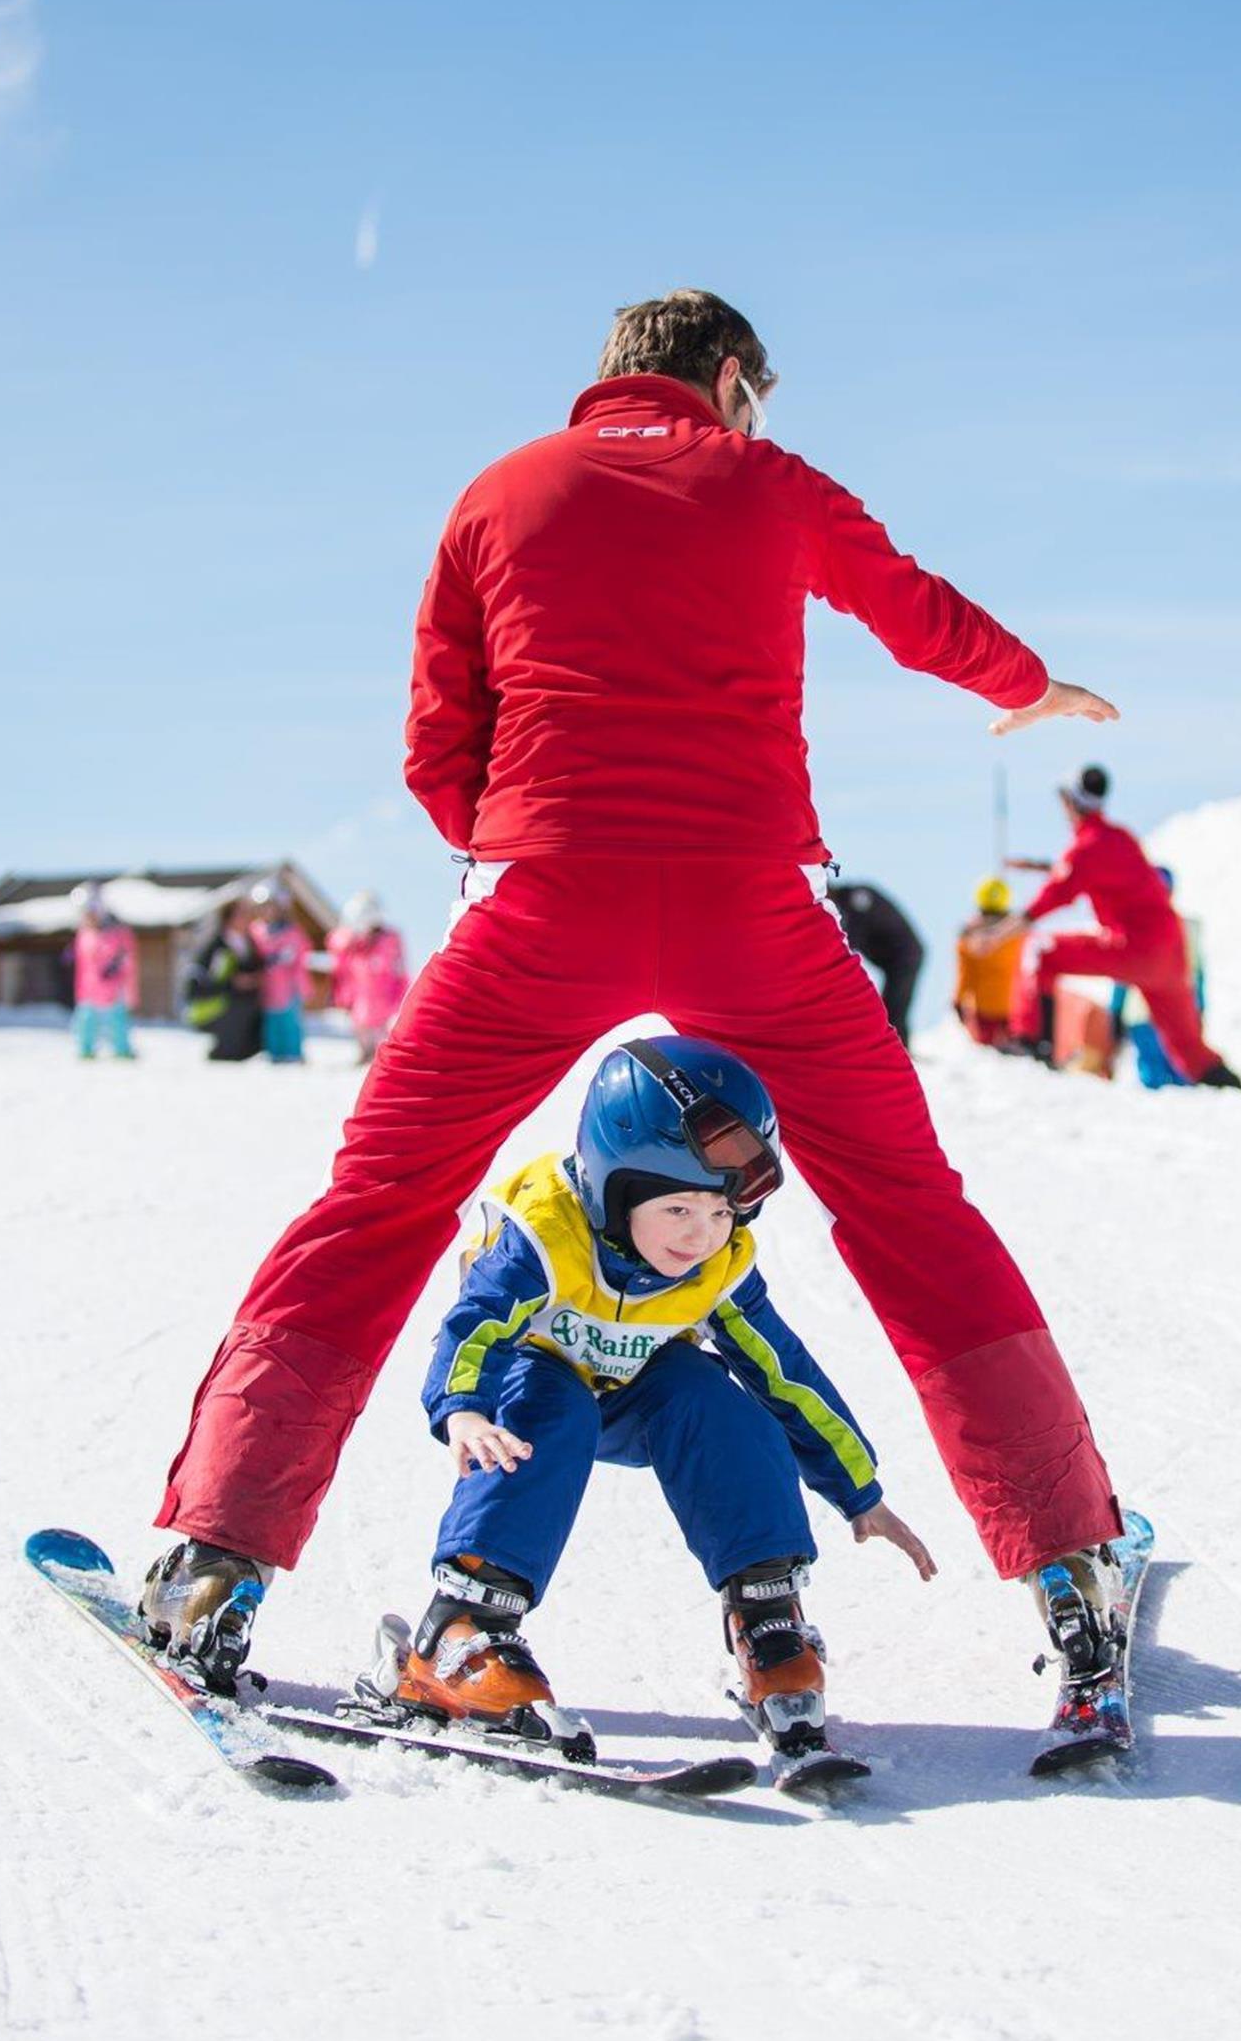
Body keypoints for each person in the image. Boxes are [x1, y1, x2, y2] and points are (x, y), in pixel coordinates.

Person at [141, 286, 1130, 1722]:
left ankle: (216, 1565)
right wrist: (1025, 682)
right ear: (728, 382)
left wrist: (528, 833)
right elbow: (909, 606)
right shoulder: (767, 482)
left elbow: (437, 738)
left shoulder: (499, 494)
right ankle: (1072, 1568)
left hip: (543, 899)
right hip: (754, 909)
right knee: (913, 1210)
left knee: (379, 1204)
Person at [346, 1037, 935, 1761]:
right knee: (550, 1408)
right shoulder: (548, 1235)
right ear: (613, 1187)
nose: (701, 1234)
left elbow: (785, 1373)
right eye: (679, 1208)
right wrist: (462, 1408)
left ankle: (767, 1618)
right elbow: (475, 1326)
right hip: (533, 1384)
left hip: (635, 1394)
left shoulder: (714, 1267)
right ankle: (460, 1632)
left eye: (721, 1212)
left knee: (716, 1401)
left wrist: (858, 1489)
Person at [1008, 768, 1241, 1088]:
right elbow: (1091, 871)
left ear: (1069, 803)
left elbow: (1059, 891)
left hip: (1132, 948)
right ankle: (1234, 1091)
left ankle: (1035, 1047)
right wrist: (1041, 866)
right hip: (1169, 952)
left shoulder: (1085, 847)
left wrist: (1002, 929)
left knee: (1041, 950)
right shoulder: (1120, 838)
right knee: (1190, 1051)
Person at [1112, 867, 1204, 1091]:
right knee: (1165, 1076)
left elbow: (1197, 973)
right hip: (1153, 1014)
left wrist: (1114, 1011)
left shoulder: (1184, 927)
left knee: (1172, 1077)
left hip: (1161, 1014)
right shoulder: (1184, 927)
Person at [828, 879, 925, 1044]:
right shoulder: (850, 903)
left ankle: (899, 1051)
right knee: (891, 1006)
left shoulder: (857, 898)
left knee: (894, 1007)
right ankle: (896, 1048)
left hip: (906, 955)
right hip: (894, 960)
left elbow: (850, 942)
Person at [328, 891, 410, 1063]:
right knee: (360, 1026)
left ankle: (379, 1056)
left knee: (381, 1030)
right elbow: (337, 951)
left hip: (384, 995)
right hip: (359, 995)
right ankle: (365, 1053)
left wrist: (399, 995)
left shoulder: (390, 939)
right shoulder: (353, 941)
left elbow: (399, 969)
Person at [184, 899, 267, 1063]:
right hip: (216, 1005)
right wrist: (234, 983)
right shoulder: (218, 947)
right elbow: (203, 983)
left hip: (248, 1006)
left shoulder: (250, 944)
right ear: (229, 918)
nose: (247, 918)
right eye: (241, 914)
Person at [953, 875, 1030, 1047]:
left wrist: (957, 1001)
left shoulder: (968, 937)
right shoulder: (1019, 935)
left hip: (984, 1011)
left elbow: (966, 976)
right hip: (1015, 1007)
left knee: (987, 1055)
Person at [69, 883, 138, 1060]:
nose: (89, 917)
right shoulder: (84, 934)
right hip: (88, 990)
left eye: (91, 912)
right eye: (85, 913)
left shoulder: (118, 932)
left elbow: (126, 958)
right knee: (86, 1023)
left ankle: (122, 1051)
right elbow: (83, 965)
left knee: (117, 1023)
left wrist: (116, 967)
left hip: (113, 989)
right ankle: (86, 1051)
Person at [249, 880, 310, 1065]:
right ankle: (273, 1054)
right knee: (271, 1022)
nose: (266, 912)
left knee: (290, 1022)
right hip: (267, 987)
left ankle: (294, 1054)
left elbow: (297, 953)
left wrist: (281, 958)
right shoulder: (256, 929)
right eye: (262, 908)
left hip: (289, 987)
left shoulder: (291, 931)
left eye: (270, 907)